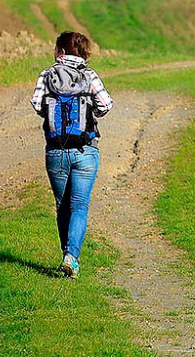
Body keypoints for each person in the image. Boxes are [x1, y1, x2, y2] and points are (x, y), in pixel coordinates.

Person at [30, 31, 113, 278]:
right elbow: (106, 104)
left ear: (61, 52)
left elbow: (36, 104)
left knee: (62, 207)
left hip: (55, 151)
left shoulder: (47, 75)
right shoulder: (89, 75)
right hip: (86, 150)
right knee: (79, 206)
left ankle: (67, 256)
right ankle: (71, 257)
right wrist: (88, 114)